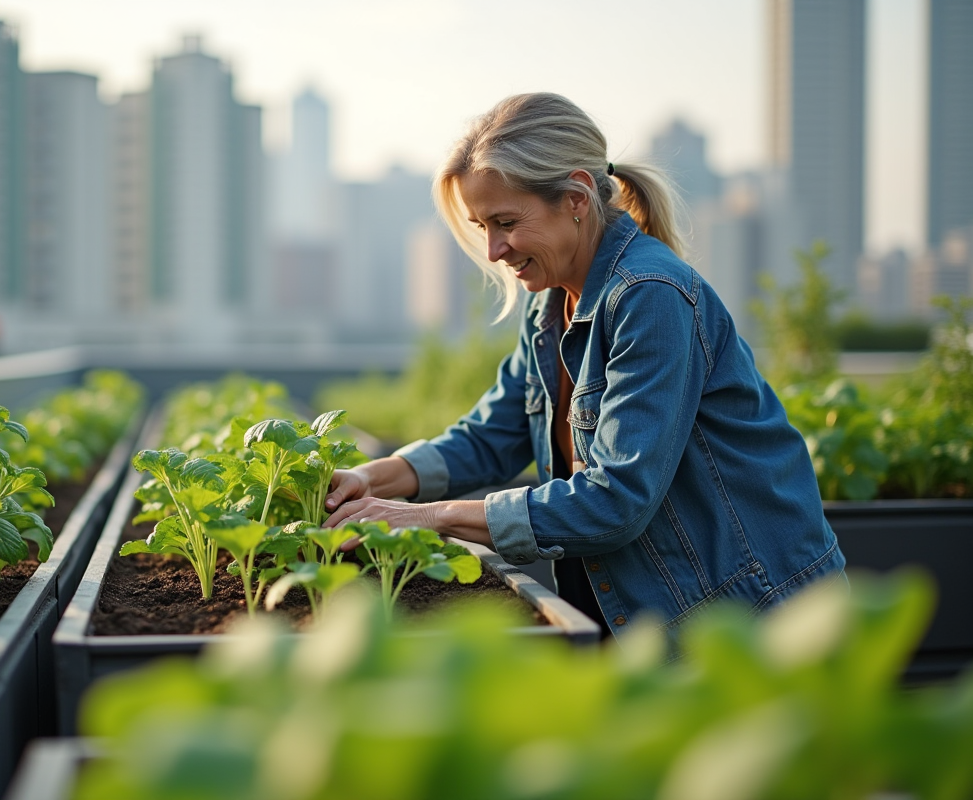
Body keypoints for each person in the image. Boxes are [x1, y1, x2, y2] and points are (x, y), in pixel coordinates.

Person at [323, 92, 845, 644]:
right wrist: (368, 478)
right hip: (661, 615)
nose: (495, 249)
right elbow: (490, 436)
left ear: (574, 197)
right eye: (482, 227)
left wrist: (429, 517)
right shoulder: (549, 305)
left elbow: (616, 501)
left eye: (506, 222)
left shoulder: (650, 296)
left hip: (752, 617)